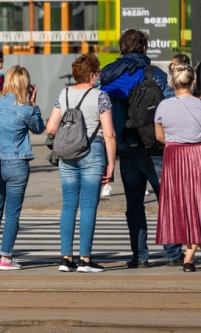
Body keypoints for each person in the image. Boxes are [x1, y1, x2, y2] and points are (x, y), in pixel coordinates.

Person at [100, 29, 184, 268]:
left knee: (134, 205)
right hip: (155, 146)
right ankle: (173, 254)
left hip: (125, 146)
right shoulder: (153, 73)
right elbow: (170, 105)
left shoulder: (107, 75)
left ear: (121, 49)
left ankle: (140, 256)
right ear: (144, 48)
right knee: (166, 200)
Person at [47, 54, 116, 273]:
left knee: (68, 205)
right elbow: (109, 134)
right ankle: (85, 259)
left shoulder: (64, 93)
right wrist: (111, 163)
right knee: (88, 206)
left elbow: (50, 128)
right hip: (92, 152)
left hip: (67, 154)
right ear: (93, 74)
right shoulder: (101, 96)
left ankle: (66, 259)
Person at [154, 64, 201, 272]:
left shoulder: (163, 106)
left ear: (172, 83)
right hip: (199, 156)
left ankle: (188, 258)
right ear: (193, 83)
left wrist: (175, 140)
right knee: (197, 205)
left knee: (180, 206)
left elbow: (159, 136)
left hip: (173, 156)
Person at [0, 66, 44, 271]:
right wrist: (34, 104)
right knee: (13, 213)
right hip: (17, 163)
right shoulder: (26, 108)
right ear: (26, 84)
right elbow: (39, 128)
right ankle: (6, 258)